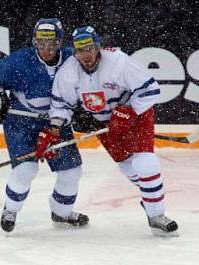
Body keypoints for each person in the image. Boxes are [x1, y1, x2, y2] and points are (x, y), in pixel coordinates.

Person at [41, 25, 179, 236]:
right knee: (127, 167)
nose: (85, 55)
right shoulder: (68, 72)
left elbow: (151, 89)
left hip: (136, 116)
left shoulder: (119, 62)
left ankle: (156, 215)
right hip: (104, 124)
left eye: (89, 48)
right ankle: (150, 197)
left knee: (145, 163)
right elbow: (61, 106)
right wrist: (54, 131)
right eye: (80, 51)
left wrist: (129, 112)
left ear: (98, 47)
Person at [0, 18, 87, 233]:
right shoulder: (20, 62)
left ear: (60, 43)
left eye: (52, 44)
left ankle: (62, 213)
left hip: (57, 121)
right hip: (21, 123)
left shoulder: (71, 60)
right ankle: (10, 209)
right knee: (25, 170)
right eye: (41, 44)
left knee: (72, 172)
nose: (46, 50)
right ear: (34, 42)